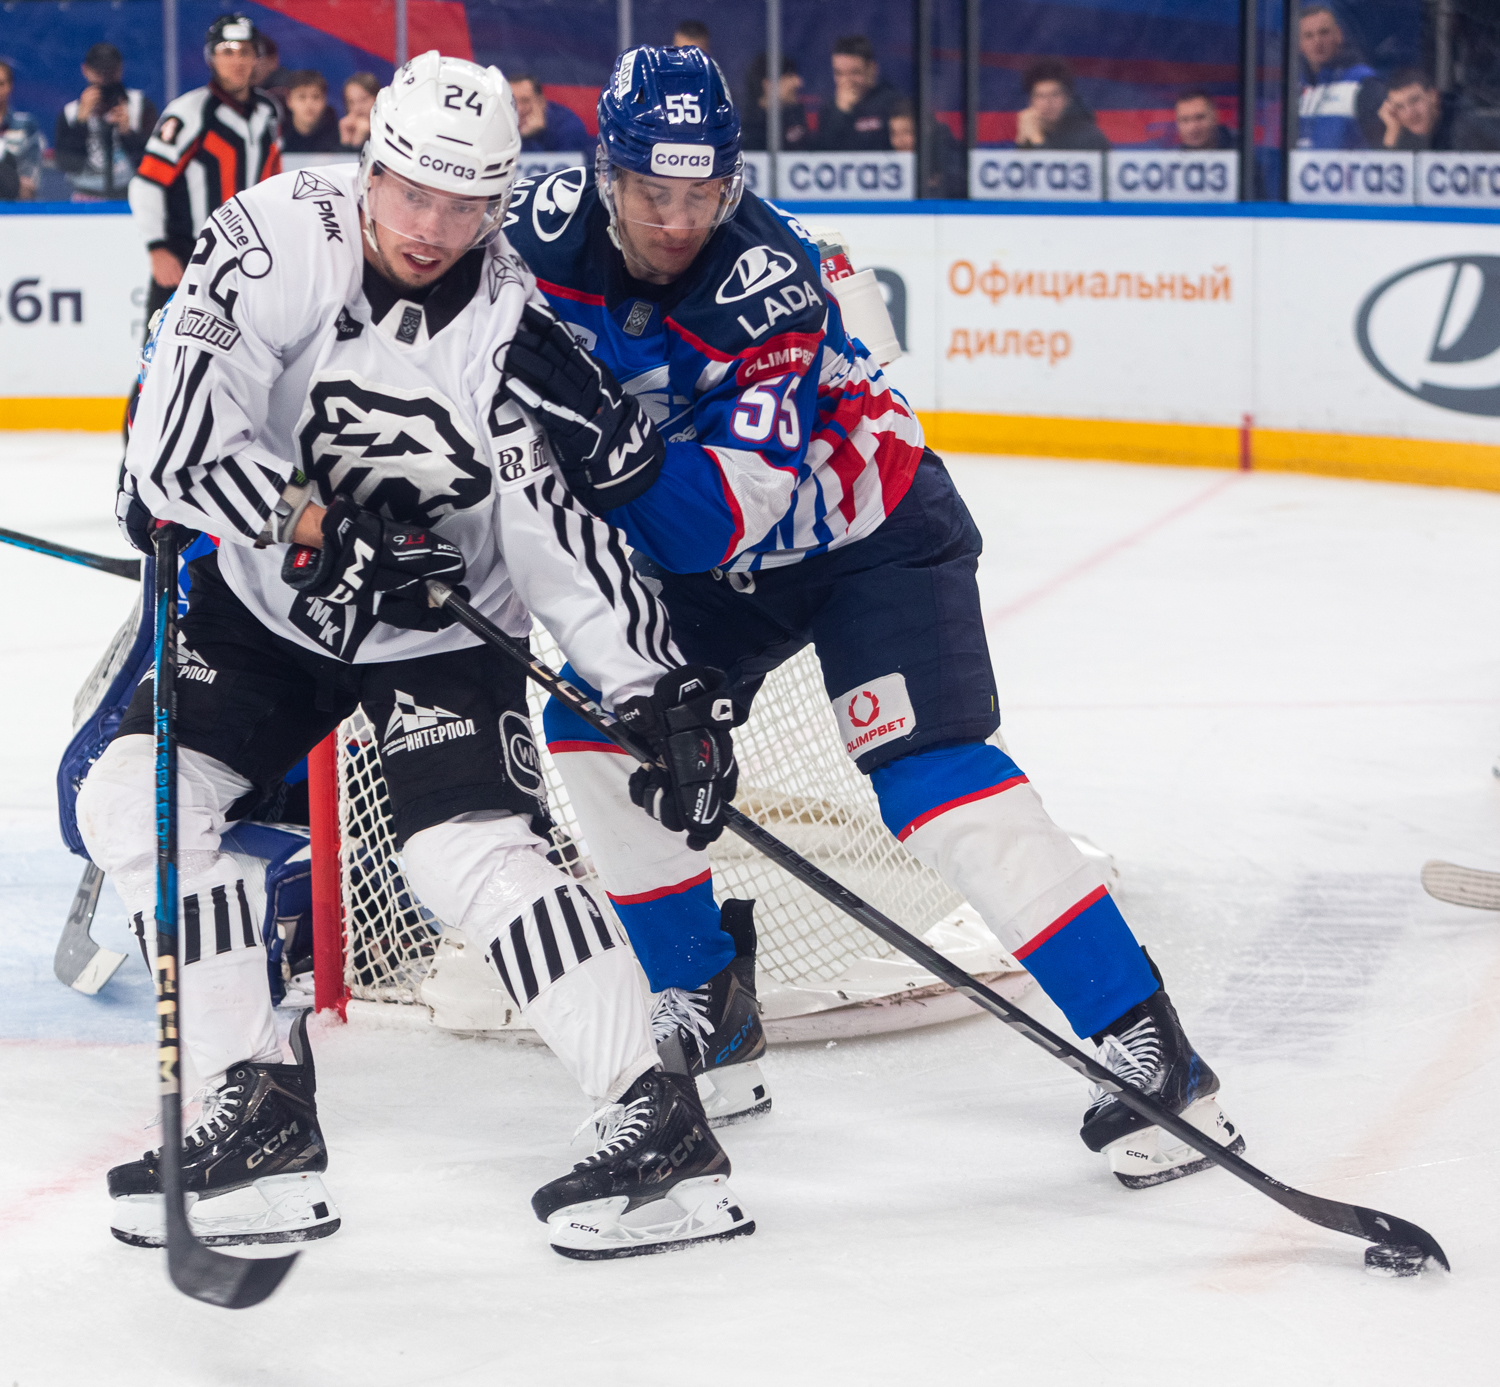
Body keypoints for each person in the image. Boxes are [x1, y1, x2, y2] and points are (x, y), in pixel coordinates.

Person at [502, 43, 1243, 1186]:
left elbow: (708, 527)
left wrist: (601, 432)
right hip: (717, 574)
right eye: (654, 191)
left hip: (869, 539)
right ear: (607, 174)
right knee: (599, 730)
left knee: (930, 777)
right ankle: (707, 1002)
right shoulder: (533, 236)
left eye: (704, 193)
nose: (679, 220)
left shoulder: (772, 282)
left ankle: (1148, 1042)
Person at [85, 51, 752, 1261]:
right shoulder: (273, 236)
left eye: (465, 204)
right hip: (268, 602)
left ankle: (656, 1117)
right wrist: (310, 524)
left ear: (499, 204)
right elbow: (174, 447)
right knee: (136, 797)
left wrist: (652, 687)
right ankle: (257, 1102)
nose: (431, 228)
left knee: (464, 855)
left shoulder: (518, 340)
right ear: (369, 167)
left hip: (441, 628)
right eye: (410, 193)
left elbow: (563, 550)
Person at [127, 13, 282, 339]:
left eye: (244, 51)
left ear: (256, 57)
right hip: (188, 256)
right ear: (211, 57)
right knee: (160, 353)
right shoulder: (189, 112)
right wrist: (158, 248)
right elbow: (147, 184)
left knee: (249, 352)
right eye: (227, 51)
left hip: (249, 259)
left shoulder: (268, 112)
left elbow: (274, 183)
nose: (237, 60)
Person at [54, 42, 158, 200]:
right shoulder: (70, 113)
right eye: (99, 72)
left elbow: (155, 160)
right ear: (85, 70)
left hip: (131, 194)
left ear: (120, 70)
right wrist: (81, 123)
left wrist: (128, 134)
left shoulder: (140, 106)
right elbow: (66, 164)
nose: (104, 79)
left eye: (110, 72)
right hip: (85, 197)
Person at [1296, 4, 1384, 149]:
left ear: (1338, 35)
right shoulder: (1294, 87)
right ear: (1299, 44)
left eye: (1324, 32)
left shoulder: (1362, 82)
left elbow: (1380, 147)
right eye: (1308, 36)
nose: (1317, 41)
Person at [1379, 67, 1500, 152]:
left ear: (1433, 96)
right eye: (1399, 107)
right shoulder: (1400, 135)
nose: (1410, 113)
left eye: (1415, 100)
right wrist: (1392, 132)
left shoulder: (1466, 128)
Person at [816, 34, 902, 151]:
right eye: (839, 73)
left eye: (854, 72)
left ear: (872, 69)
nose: (846, 81)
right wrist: (841, 113)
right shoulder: (829, 109)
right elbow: (823, 151)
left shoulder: (893, 104)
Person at [1015, 58, 1108, 150]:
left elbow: (1056, 160)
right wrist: (1023, 142)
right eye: (1040, 96)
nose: (1048, 103)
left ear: (1067, 98)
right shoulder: (1030, 127)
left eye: (1055, 95)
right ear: (1031, 101)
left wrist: (1037, 140)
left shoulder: (1090, 138)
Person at [889, 99, 966, 197]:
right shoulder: (889, 165)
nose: (899, 141)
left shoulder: (951, 160)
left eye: (907, 132)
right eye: (894, 133)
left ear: (926, 131)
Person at [739, 53, 811, 152]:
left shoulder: (796, 116)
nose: (798, 82)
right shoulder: (747, 129)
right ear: (768, 84)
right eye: (789, 76)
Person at [511, 74, 592, 153]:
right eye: (513, 101)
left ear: (541, 102)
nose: (519, 108)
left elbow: (564, 161)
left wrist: (529, 138)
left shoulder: (569, 126)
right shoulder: (505, 121)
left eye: (525, 101)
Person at [0, 59, 44, 200]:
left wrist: (13, 184)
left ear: (10, 86)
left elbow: (29, 185)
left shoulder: (26, 124)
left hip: (16, 206)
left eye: (0, 84)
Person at [280, 69, 342, 154]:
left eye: (315, 97)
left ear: (325, 100)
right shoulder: (276, 133)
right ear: (289, 101)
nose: (309, 104)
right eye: (302, 97)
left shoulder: (339, 134)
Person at [1169, 90, 1235, 150]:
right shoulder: (1172, 155)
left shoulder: (1239, 146)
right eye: (1185, 120)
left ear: (1215, 117)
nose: (1192, 127)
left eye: (1199, 118)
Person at [340, 71, 379, 149]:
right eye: (351, 102)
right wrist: (346, 140)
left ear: (377, 98)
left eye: (363, 99)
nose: (357, 108)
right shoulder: (343, 129)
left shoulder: (392, 131)